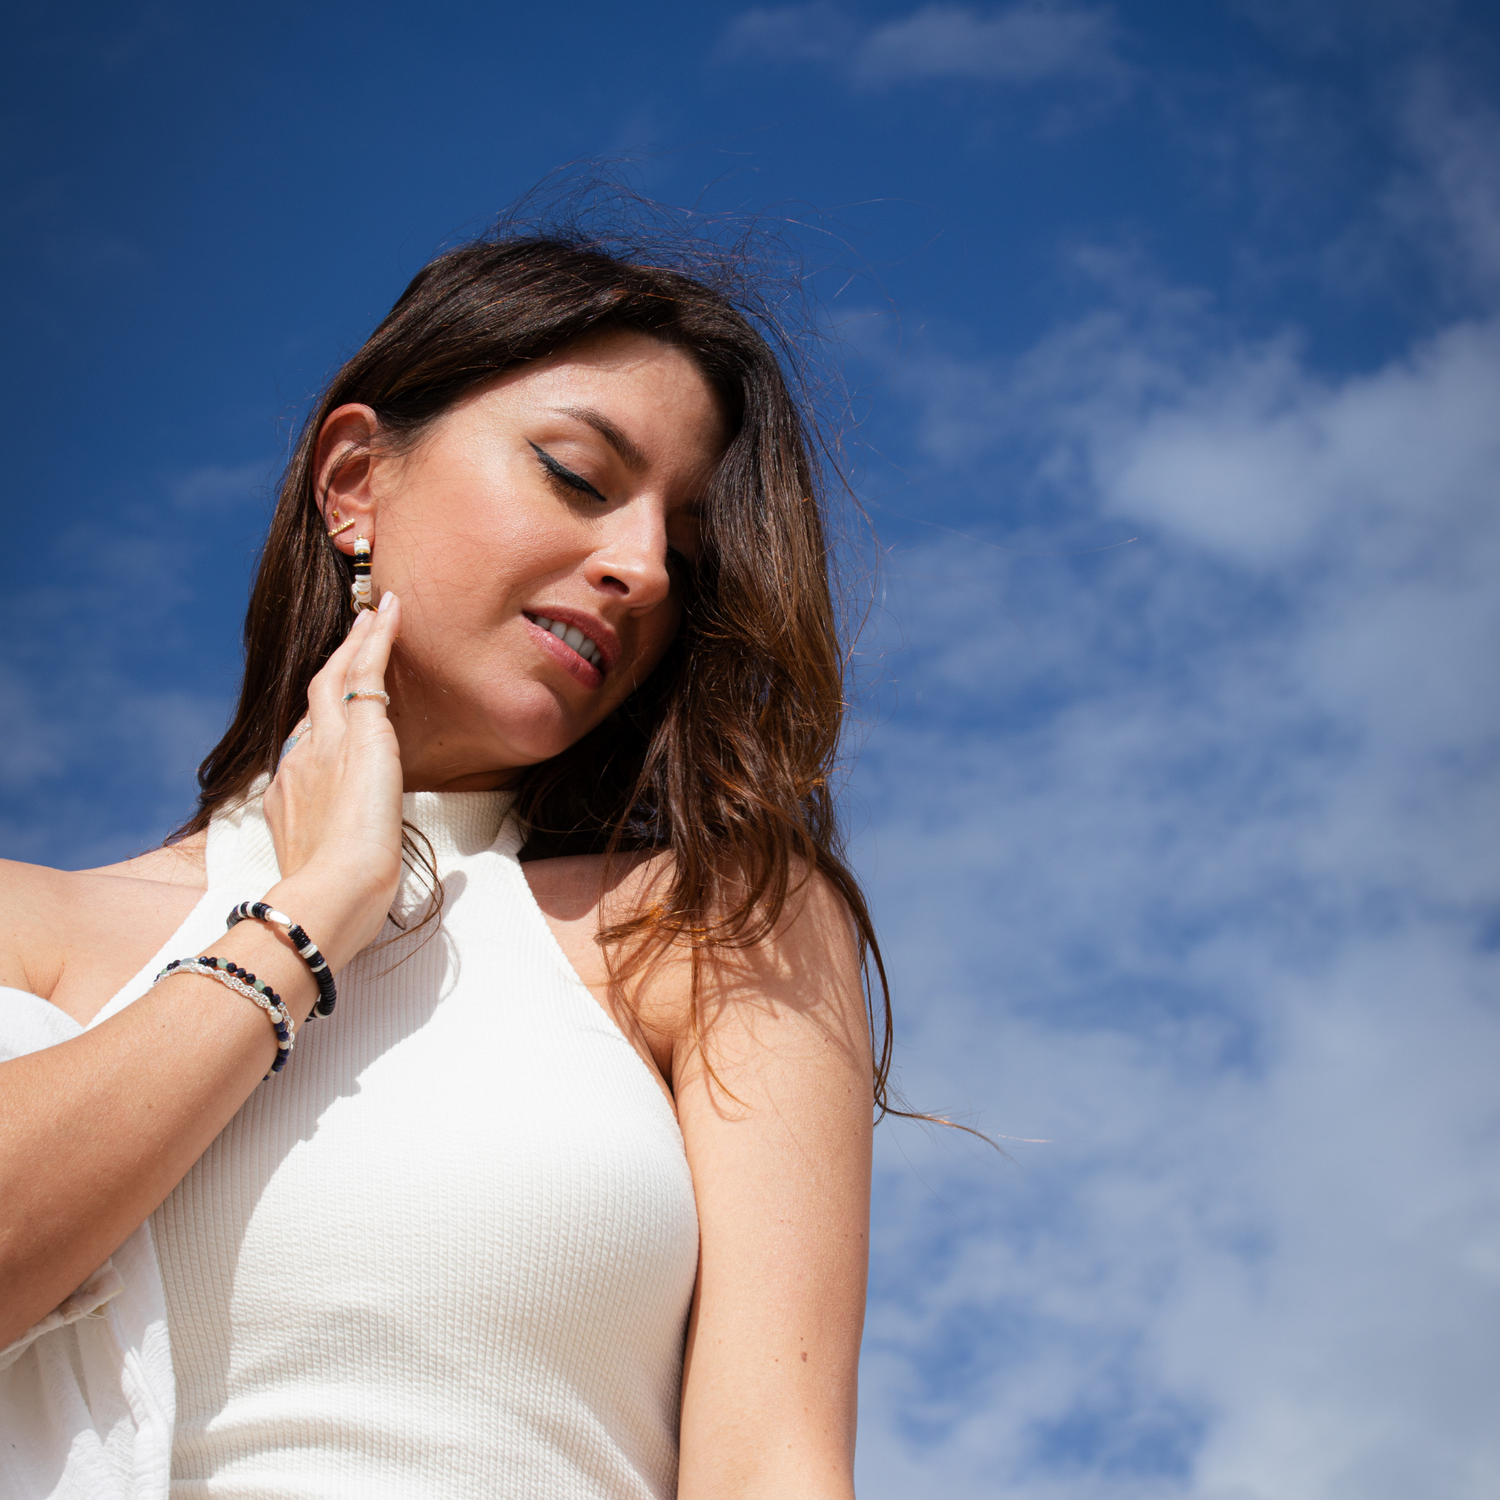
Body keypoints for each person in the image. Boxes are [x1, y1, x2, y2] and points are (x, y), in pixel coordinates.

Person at [0, 227, 890, 1499]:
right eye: (580, 475)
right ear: (356, 479)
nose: (639, 568)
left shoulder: (709, 926)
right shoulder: (33, 929)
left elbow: (775, 1468)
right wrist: (309, 918)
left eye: (682, 555)